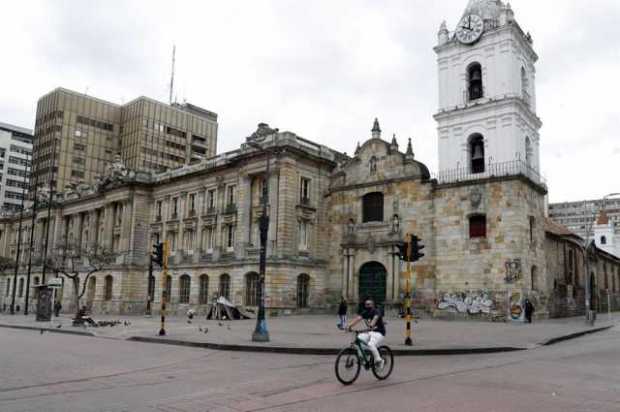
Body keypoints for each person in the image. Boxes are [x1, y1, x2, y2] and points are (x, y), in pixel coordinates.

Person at [347, 298, 386, 369]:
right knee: (359, 340)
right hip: (370, 332)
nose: (367, 306)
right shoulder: (365, 312)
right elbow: (357, 319)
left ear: (373, 305)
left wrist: (371, 325)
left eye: (369, 304)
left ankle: (379, 360)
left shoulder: (376, 311)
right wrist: (349, 326)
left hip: (379, 332)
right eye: (366, 304)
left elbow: (375, 318)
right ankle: (363, 360)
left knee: (371, 344)